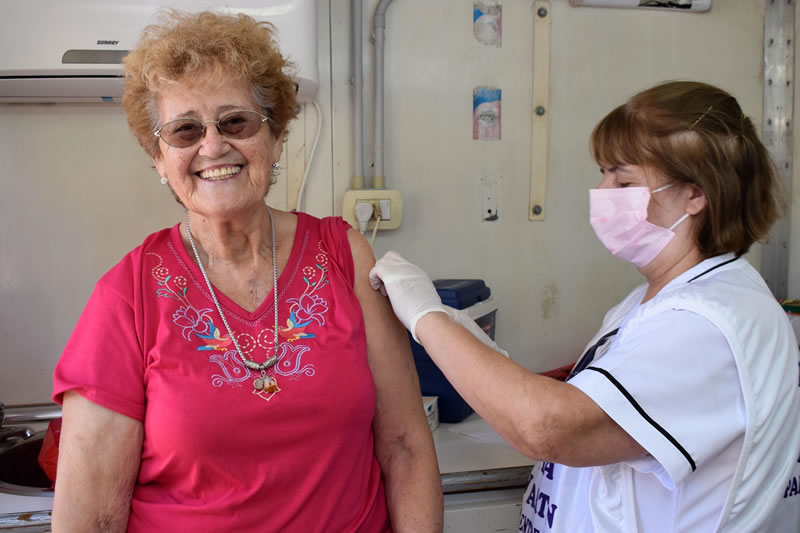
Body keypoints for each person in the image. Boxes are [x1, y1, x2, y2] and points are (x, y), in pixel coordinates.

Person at [51, 10, 442, 532]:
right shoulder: (127, 296)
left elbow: (405, 447)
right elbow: (91, 520)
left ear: (276, 138)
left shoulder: (345, 256)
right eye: (185, 129)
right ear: (159, 158)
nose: (213, 146)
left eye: (235, 121)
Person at [370, 81, 800, 532]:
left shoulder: (709, 321)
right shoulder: (653, 301)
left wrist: (427, 317)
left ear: (696, 195)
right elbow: (585, 409)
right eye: (604, 174)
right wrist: (466, 335)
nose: (602, 191)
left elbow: (549, 428)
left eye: (624, 180)